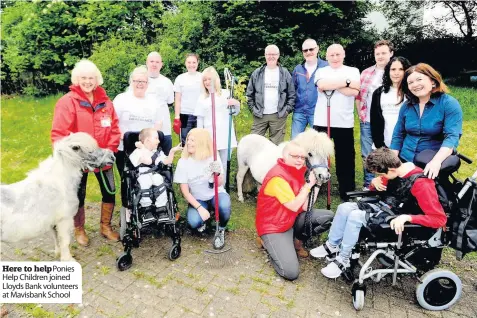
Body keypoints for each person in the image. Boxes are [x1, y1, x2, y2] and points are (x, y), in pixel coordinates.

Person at [310, 147, 447, 278]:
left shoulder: (422, 184)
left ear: (391, 169)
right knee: (344, 207)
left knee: (355, 216)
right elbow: (380, 186)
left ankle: (343, 259)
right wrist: (375, 182)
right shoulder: (395, 169)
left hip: (397, 219)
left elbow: (439, 219)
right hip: (384, 207)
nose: (381, 177)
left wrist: (408, 218)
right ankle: (332, 246)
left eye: (381, 174)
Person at [51, 59, 121, 246]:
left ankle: (105, 226)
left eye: (91, 78)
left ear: (97, 79)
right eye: (83, 78)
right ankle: (79, 229)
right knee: (78, 194)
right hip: (78, 159)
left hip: (102, 156)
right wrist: (74, 155)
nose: (87, 81)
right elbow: (59, 134)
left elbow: (114, 128)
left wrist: (110, 150)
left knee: (110, 191)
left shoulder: (106, 102)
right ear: (76, 79)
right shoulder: (67, 102)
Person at [256, 141, 334, 281]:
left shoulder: (299, 171)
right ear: (285, 156)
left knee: (328, 217)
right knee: (291, 273)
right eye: (295, 156)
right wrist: (308, 185)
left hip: (291, 219)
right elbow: (293, 205)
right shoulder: (277, 177)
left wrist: (317, 185)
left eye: (302, 157)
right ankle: (268, 243)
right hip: (274, 227)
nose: (300, 160)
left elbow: (305, 207)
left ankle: (297, 241)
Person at [390, 63, 463, 179]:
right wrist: (391, 161)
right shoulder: (406, 106)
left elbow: (452, 137)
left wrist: (436, 161)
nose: (415, 85)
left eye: (419, 79)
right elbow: (398, 134)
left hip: (430, 161)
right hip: (405, 159)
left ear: (433, 81)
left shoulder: (449, 104)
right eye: (410, 82)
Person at [313, 44, 360, 201]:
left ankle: (346, 192)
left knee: (345, 159)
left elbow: (354, 91)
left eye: (338, 54)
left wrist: (335, 83)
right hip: (322, 120)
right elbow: (322, 85)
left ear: (343, 54)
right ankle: (314, 186)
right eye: (331, 55)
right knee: (318, 156)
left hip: (344, 122)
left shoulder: (353, 71)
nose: (335, 58)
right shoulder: (321, 71)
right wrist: (346, 83)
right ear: (326, 56)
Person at [113, 65, 163, 208]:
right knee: (127, 177)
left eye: (143, 81)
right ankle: (127, 208)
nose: (140, 84)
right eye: (137, 81)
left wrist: (152, 138)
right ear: (131, 81)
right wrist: (120, 135)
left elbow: (158, 122)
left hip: (147, 148)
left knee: (148, 175)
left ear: (148, 84)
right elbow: (113, 120)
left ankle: (149, 205)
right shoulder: (121, 99)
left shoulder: (153, 101)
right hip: (125, 146)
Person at [173, 128, 232, 249]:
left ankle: (220, 229)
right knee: (194, 222)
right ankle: (204, 217)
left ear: (201, 142)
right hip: (198, 198)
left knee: (224, 206)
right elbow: (185, 192)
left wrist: (218, 174)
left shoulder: (213, 158)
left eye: (192, 140)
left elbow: (220, 183)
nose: (188, 142)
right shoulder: (183, 162)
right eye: (188, 139)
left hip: (215, 194)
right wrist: (199, 208)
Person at [356, 40, 394, 190]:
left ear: (391, 53)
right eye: (377, 53)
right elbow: (359, 97)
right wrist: (360, 113)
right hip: (368, 121)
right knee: (367, 154)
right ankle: (368, 185)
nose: (380, 56)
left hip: (389, 121)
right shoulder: (366, 73)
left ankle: (389, 184)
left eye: (384, 53)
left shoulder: (396, 73)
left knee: (388, 153)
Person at [194, 66, 240, 181]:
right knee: (212, 163)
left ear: (216, 79)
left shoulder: (225, 93)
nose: (207, 82)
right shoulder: (202, 98)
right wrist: (200, 137)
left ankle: (222, 188)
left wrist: (236, 103)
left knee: (224, 163)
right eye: (205, 80)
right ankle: (212, 185)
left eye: (209, 79)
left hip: (225, 134)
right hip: (209, 134)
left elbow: (235, 112)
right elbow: (199, 119)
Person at [246, 45, 296, 145]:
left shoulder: (285, 73)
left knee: (276, 146)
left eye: (274, 54)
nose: (271, 56)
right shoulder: (257, 73)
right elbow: (249, 94)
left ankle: (273, 161)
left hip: (278, 115)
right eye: (269, 54)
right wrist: (253, 109)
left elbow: (292, 94)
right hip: (260, 115)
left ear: (278, 55)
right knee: (254, 143)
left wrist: (286, 111)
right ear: (265, 55)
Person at [129, 128, 182, 209]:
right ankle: (146, 207)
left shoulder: (157, 152)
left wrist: (172, 151)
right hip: (142, 175)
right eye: (156, 138)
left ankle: (161, 206)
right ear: (147, 141)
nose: (159, 141)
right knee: (145, 182)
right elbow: (148, 161)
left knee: (160, 180)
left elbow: (167, 161)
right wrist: (142, 148)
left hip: (155, 174)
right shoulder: (138, 152)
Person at [370, 56, 411, 149]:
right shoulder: (379, 93)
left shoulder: (412, 93)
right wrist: (380, 145)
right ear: (388, 71)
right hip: (383, 146)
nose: (396, 73)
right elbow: (375, 122)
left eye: (401, 69)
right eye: (393, 69)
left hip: (407, 147)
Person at [291, 39, 328, 138]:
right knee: (295, 143)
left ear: (317, 49)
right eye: (305, 50)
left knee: (318, 145)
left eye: (311, 49)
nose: (308, 52)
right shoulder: (297, 69)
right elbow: (292, 90)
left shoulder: (326, 67)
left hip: (318, 112)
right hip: (299, 112)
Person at [145, 52, 175, 155]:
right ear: (146, 63)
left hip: (164, 128)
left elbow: (170, 102)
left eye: (157, 62)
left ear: (161, 64)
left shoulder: (167, 82)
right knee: (147, 159)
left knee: (166, 158)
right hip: (146, 128)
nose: (154, 64)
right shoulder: (140, 80)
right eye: (151, 61)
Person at [173, 53, 202, 146]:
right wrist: (177, 117)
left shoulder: (202, 77)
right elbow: (177, 99)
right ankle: (185, 159)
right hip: (185, 115)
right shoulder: (180, 78)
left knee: (199, 140)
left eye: (194, 62)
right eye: (189, 62)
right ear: (185, 63)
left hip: (200, 114)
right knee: (185, 141)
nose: (191, 65)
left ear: (198, 63)